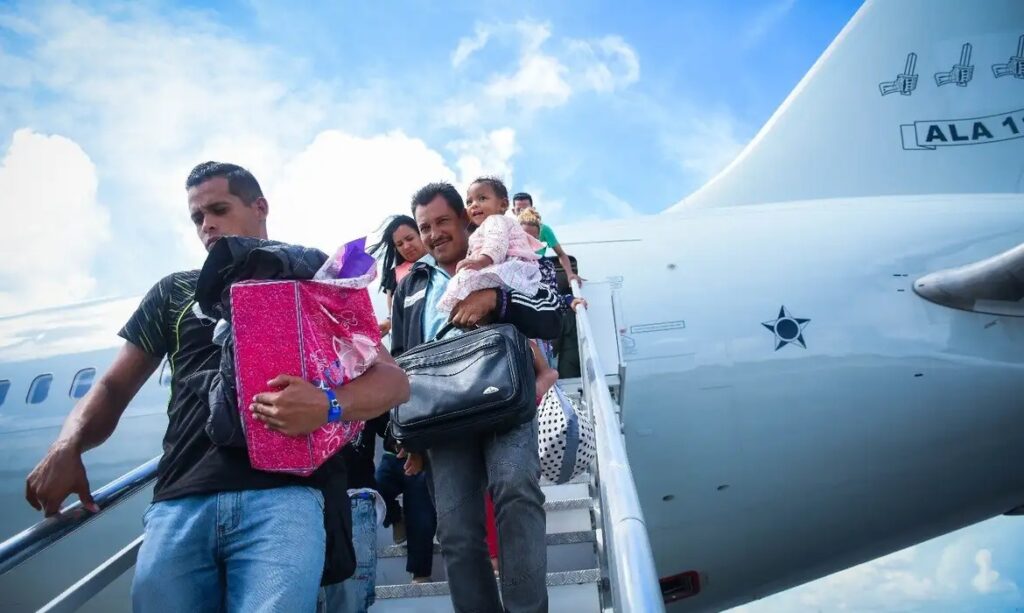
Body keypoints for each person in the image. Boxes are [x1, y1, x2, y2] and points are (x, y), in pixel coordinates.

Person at [24, 161, 410, 613]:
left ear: (259, 207)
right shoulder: (174, 292)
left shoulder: (312, 277)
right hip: (179, 502)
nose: (207, 224)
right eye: (196, 217)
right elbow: (112, 388)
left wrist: (328, 404)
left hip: (284, 501)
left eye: (219, 209)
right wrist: (67, 445)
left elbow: (393, 382)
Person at [391, 182, 562, 613]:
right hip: (441, 415)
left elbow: (553, 314)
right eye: (425, 226)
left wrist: (497, 299)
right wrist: (405, 435)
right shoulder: (411, 284)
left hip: (503, 399)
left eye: (443, 222)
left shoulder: (510, 252)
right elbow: (398, 362)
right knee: (455, 530)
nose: (433, 234)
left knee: (515, 488)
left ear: (466, 220)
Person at [439, 177, 559, 399]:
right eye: (470, 201)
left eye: (482, 198)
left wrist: (480, 261)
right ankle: (543, 370)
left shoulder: (494, 221)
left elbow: (496, 245)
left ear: (503, 205)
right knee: (511, 330)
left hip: (504, 270)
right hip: (500, 270)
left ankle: (543, 371)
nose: (474, 205)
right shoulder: (482, 228)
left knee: (472, 296)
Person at [368, 215, 428, 338]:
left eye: (410, 238)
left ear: (421, 233)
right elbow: (393, 313)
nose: (406, 246)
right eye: (400, 244)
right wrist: (388, 323)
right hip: (412, 340)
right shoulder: (393, 275)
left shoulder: (442, 261)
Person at [511, 191, 582, 287]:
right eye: (519, 210)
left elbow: (561, 254)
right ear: (513, 211)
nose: (523, 212)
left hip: (538, 268)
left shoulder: (544, 229)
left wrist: (570, 274)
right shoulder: (509, 229)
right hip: (518, 268)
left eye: (526, 209)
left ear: (532, 209)